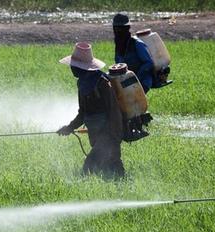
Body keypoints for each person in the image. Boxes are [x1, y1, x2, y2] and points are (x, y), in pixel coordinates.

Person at [57, 42, 125, 179]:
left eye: (74, 66)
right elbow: (83, 113)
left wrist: (115, 137)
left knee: (89, 166)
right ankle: (124, 186)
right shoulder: (82, 84)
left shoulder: (102, 84)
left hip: (109, 134)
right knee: (111, 168)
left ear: (82, 68)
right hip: (96, 134)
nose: (71, 68)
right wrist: (69, 127)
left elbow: (114, 110)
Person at [112, 13, 155, 93]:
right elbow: (118, 64)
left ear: (127, 28)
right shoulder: (118, 44)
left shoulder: (137, 43)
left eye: (121, 28)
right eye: (116, 28)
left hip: (143, 81)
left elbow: (149, 63)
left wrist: (136, 77)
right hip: (127, 83)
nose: (118, 31)